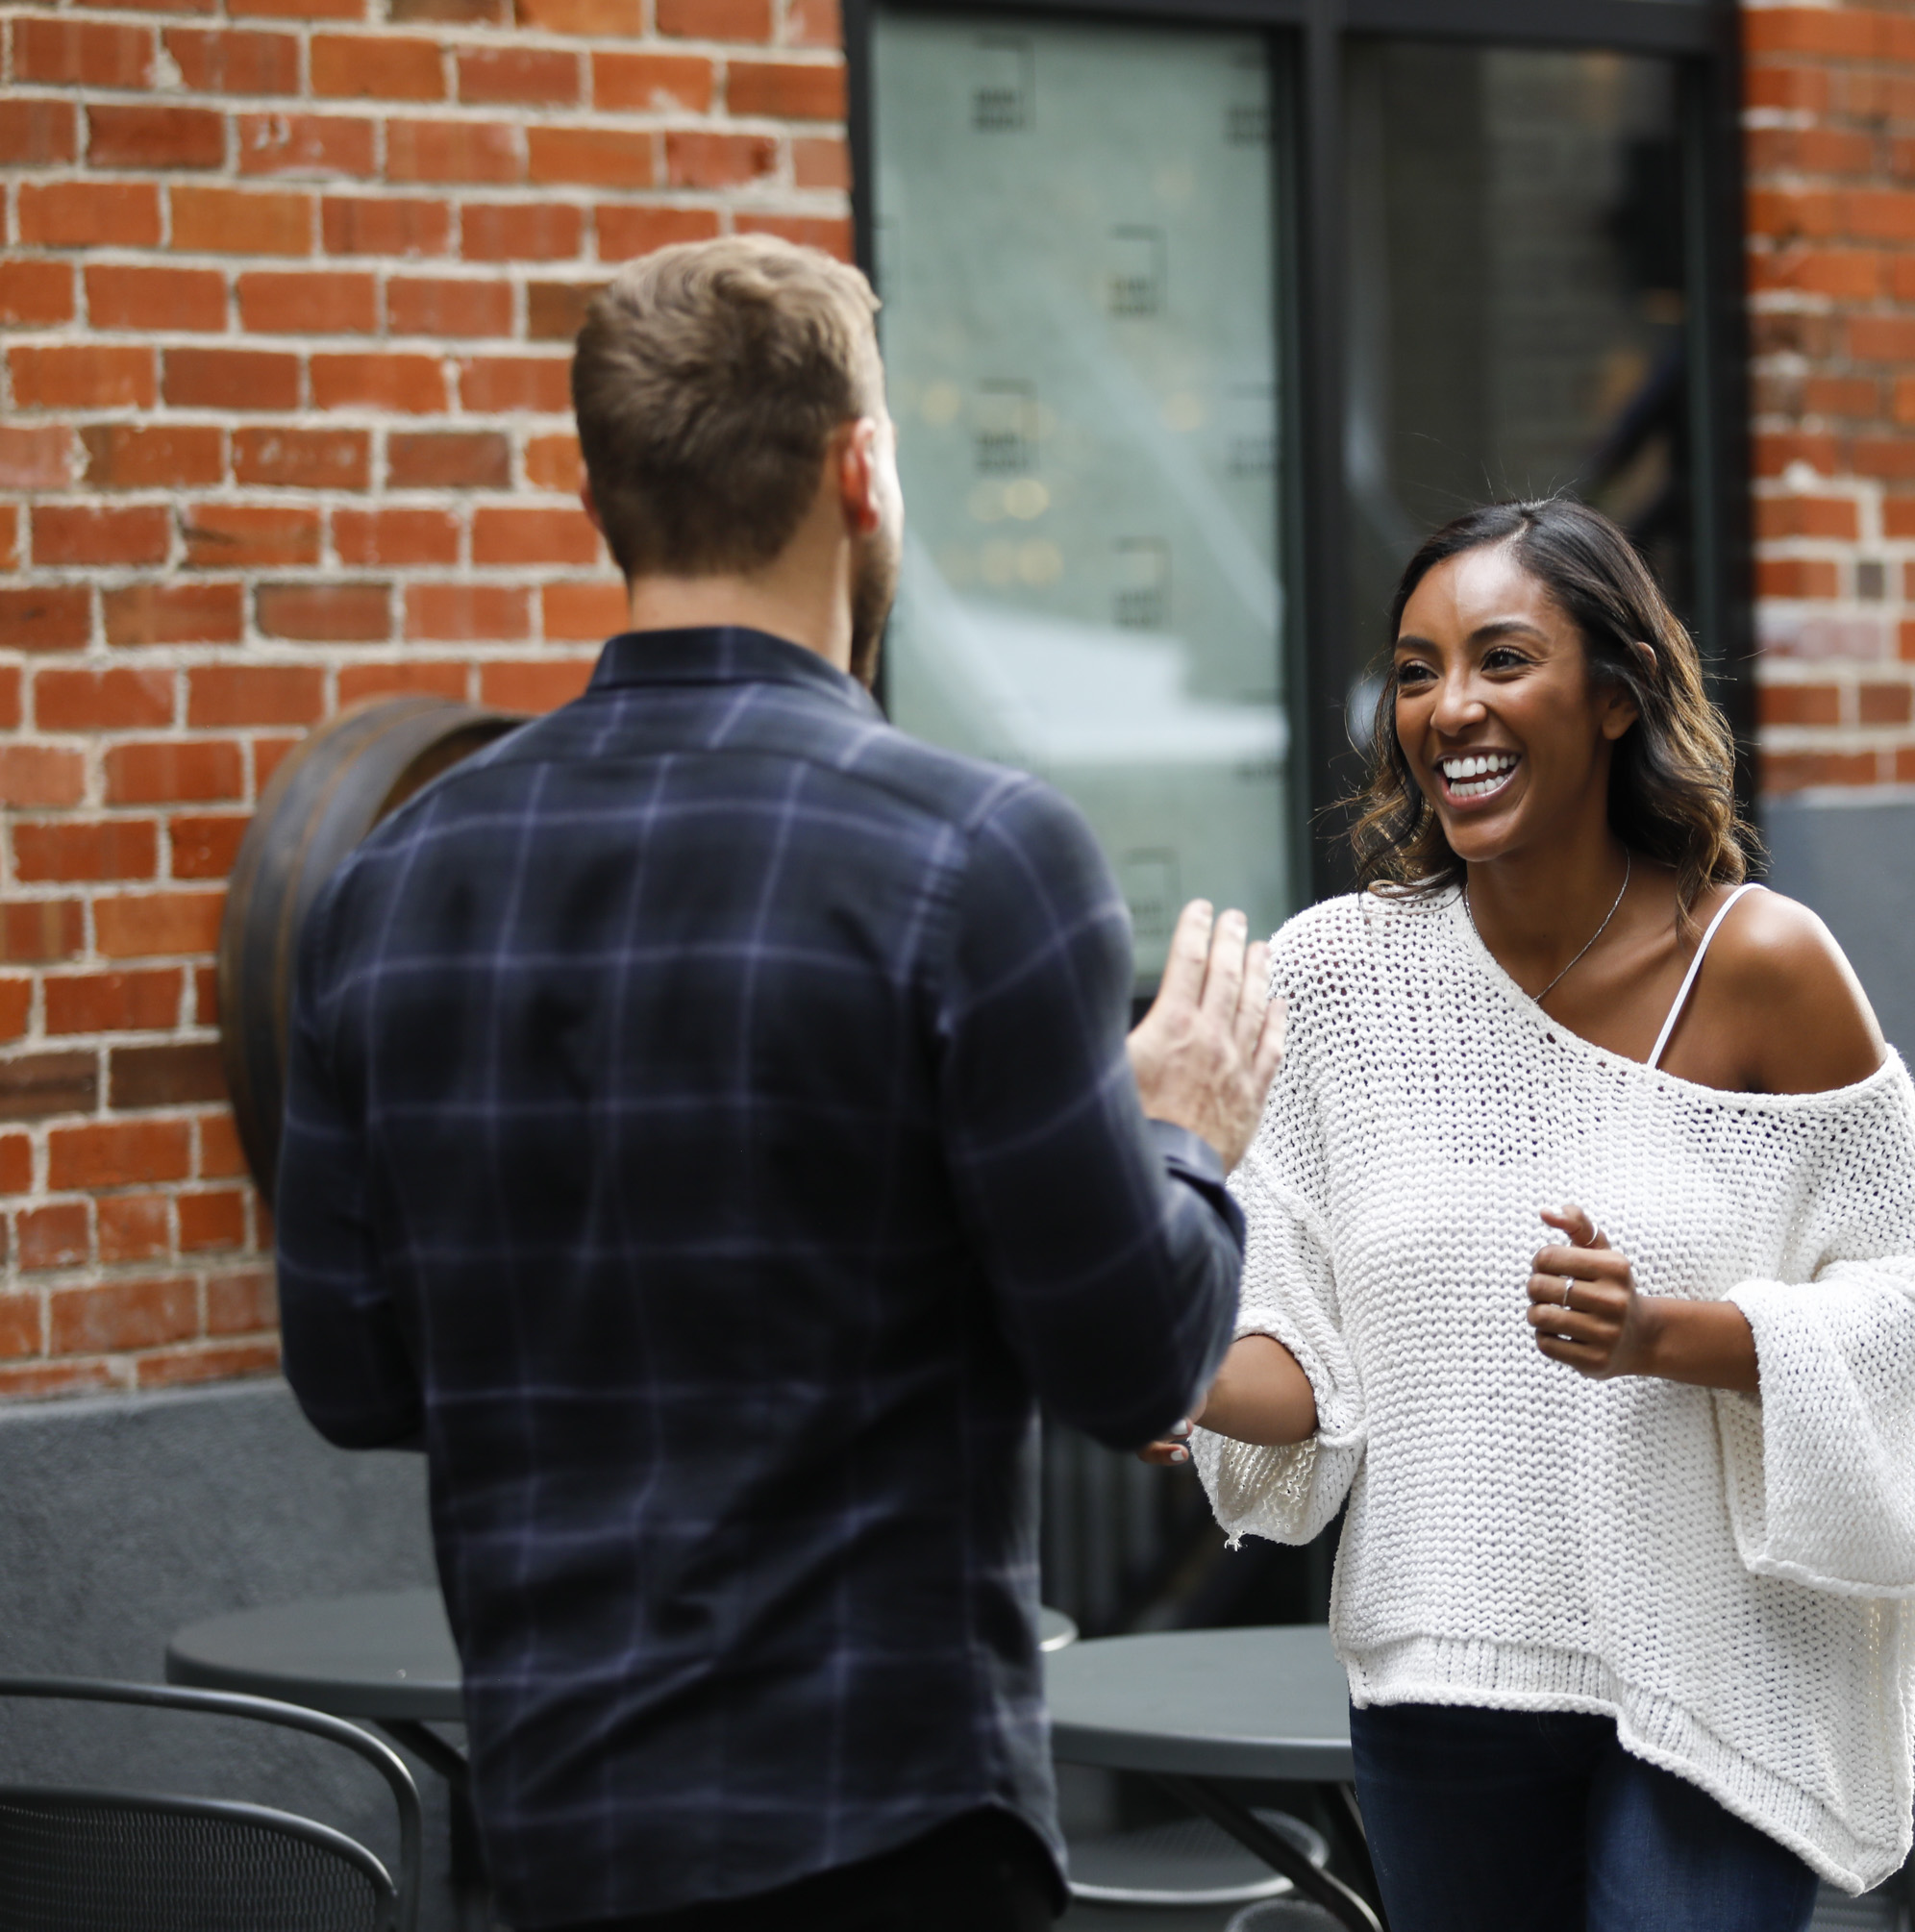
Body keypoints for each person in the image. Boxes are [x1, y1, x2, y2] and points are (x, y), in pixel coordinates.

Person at [276, 235, 1284, 1932]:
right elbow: (1133, 1364)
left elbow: (351, 1376)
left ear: (599, 500)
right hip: (886, 1826)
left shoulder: (391, 880)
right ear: (861, 468)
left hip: (560, 1821)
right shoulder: (978, 853)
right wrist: (1179, 1125)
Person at [1148, 499, 1915, 1932]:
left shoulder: (1763, 965)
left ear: (1614, 693)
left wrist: (1670, 1334)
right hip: (1443, 1679)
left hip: (1715, 1687)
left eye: (1500, 659)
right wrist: (1163, 1359)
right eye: (1415, 672)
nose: (1450, 709)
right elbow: (1305, 1360)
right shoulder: (1338, 981)